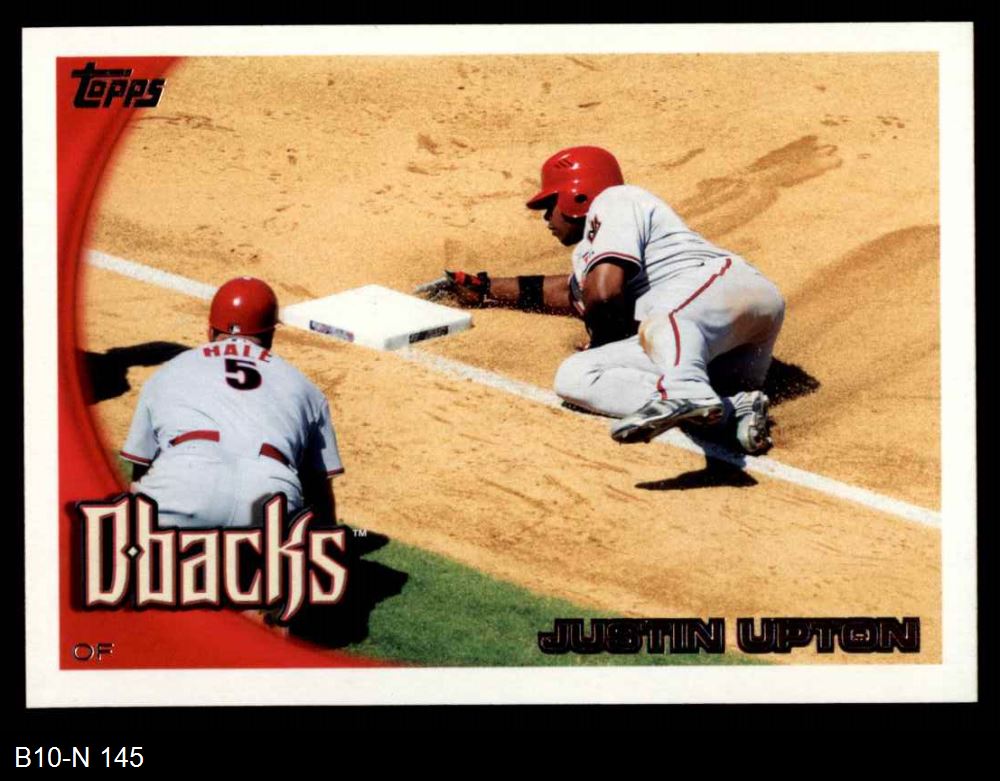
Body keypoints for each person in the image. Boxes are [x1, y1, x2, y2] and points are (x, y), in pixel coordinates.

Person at [424, 146, 785, 454]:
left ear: (577, 196)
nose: (547, 218)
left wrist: (602, 339)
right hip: (721, 357)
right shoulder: (591, 256)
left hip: (729, 293)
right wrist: (486, 289)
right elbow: (569, 292)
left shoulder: (615, 201)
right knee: (576, 375)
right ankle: (731, 411)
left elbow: (603, 294)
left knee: (658, 319)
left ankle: (686, 389)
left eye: (550, 204)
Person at [120, 276, 345, 528]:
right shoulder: (305, 387)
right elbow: (319, 494)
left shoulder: (167, 372)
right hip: (270, 496)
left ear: (210, 331)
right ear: (270, 335)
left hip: (184, 482)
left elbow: (140, 468)